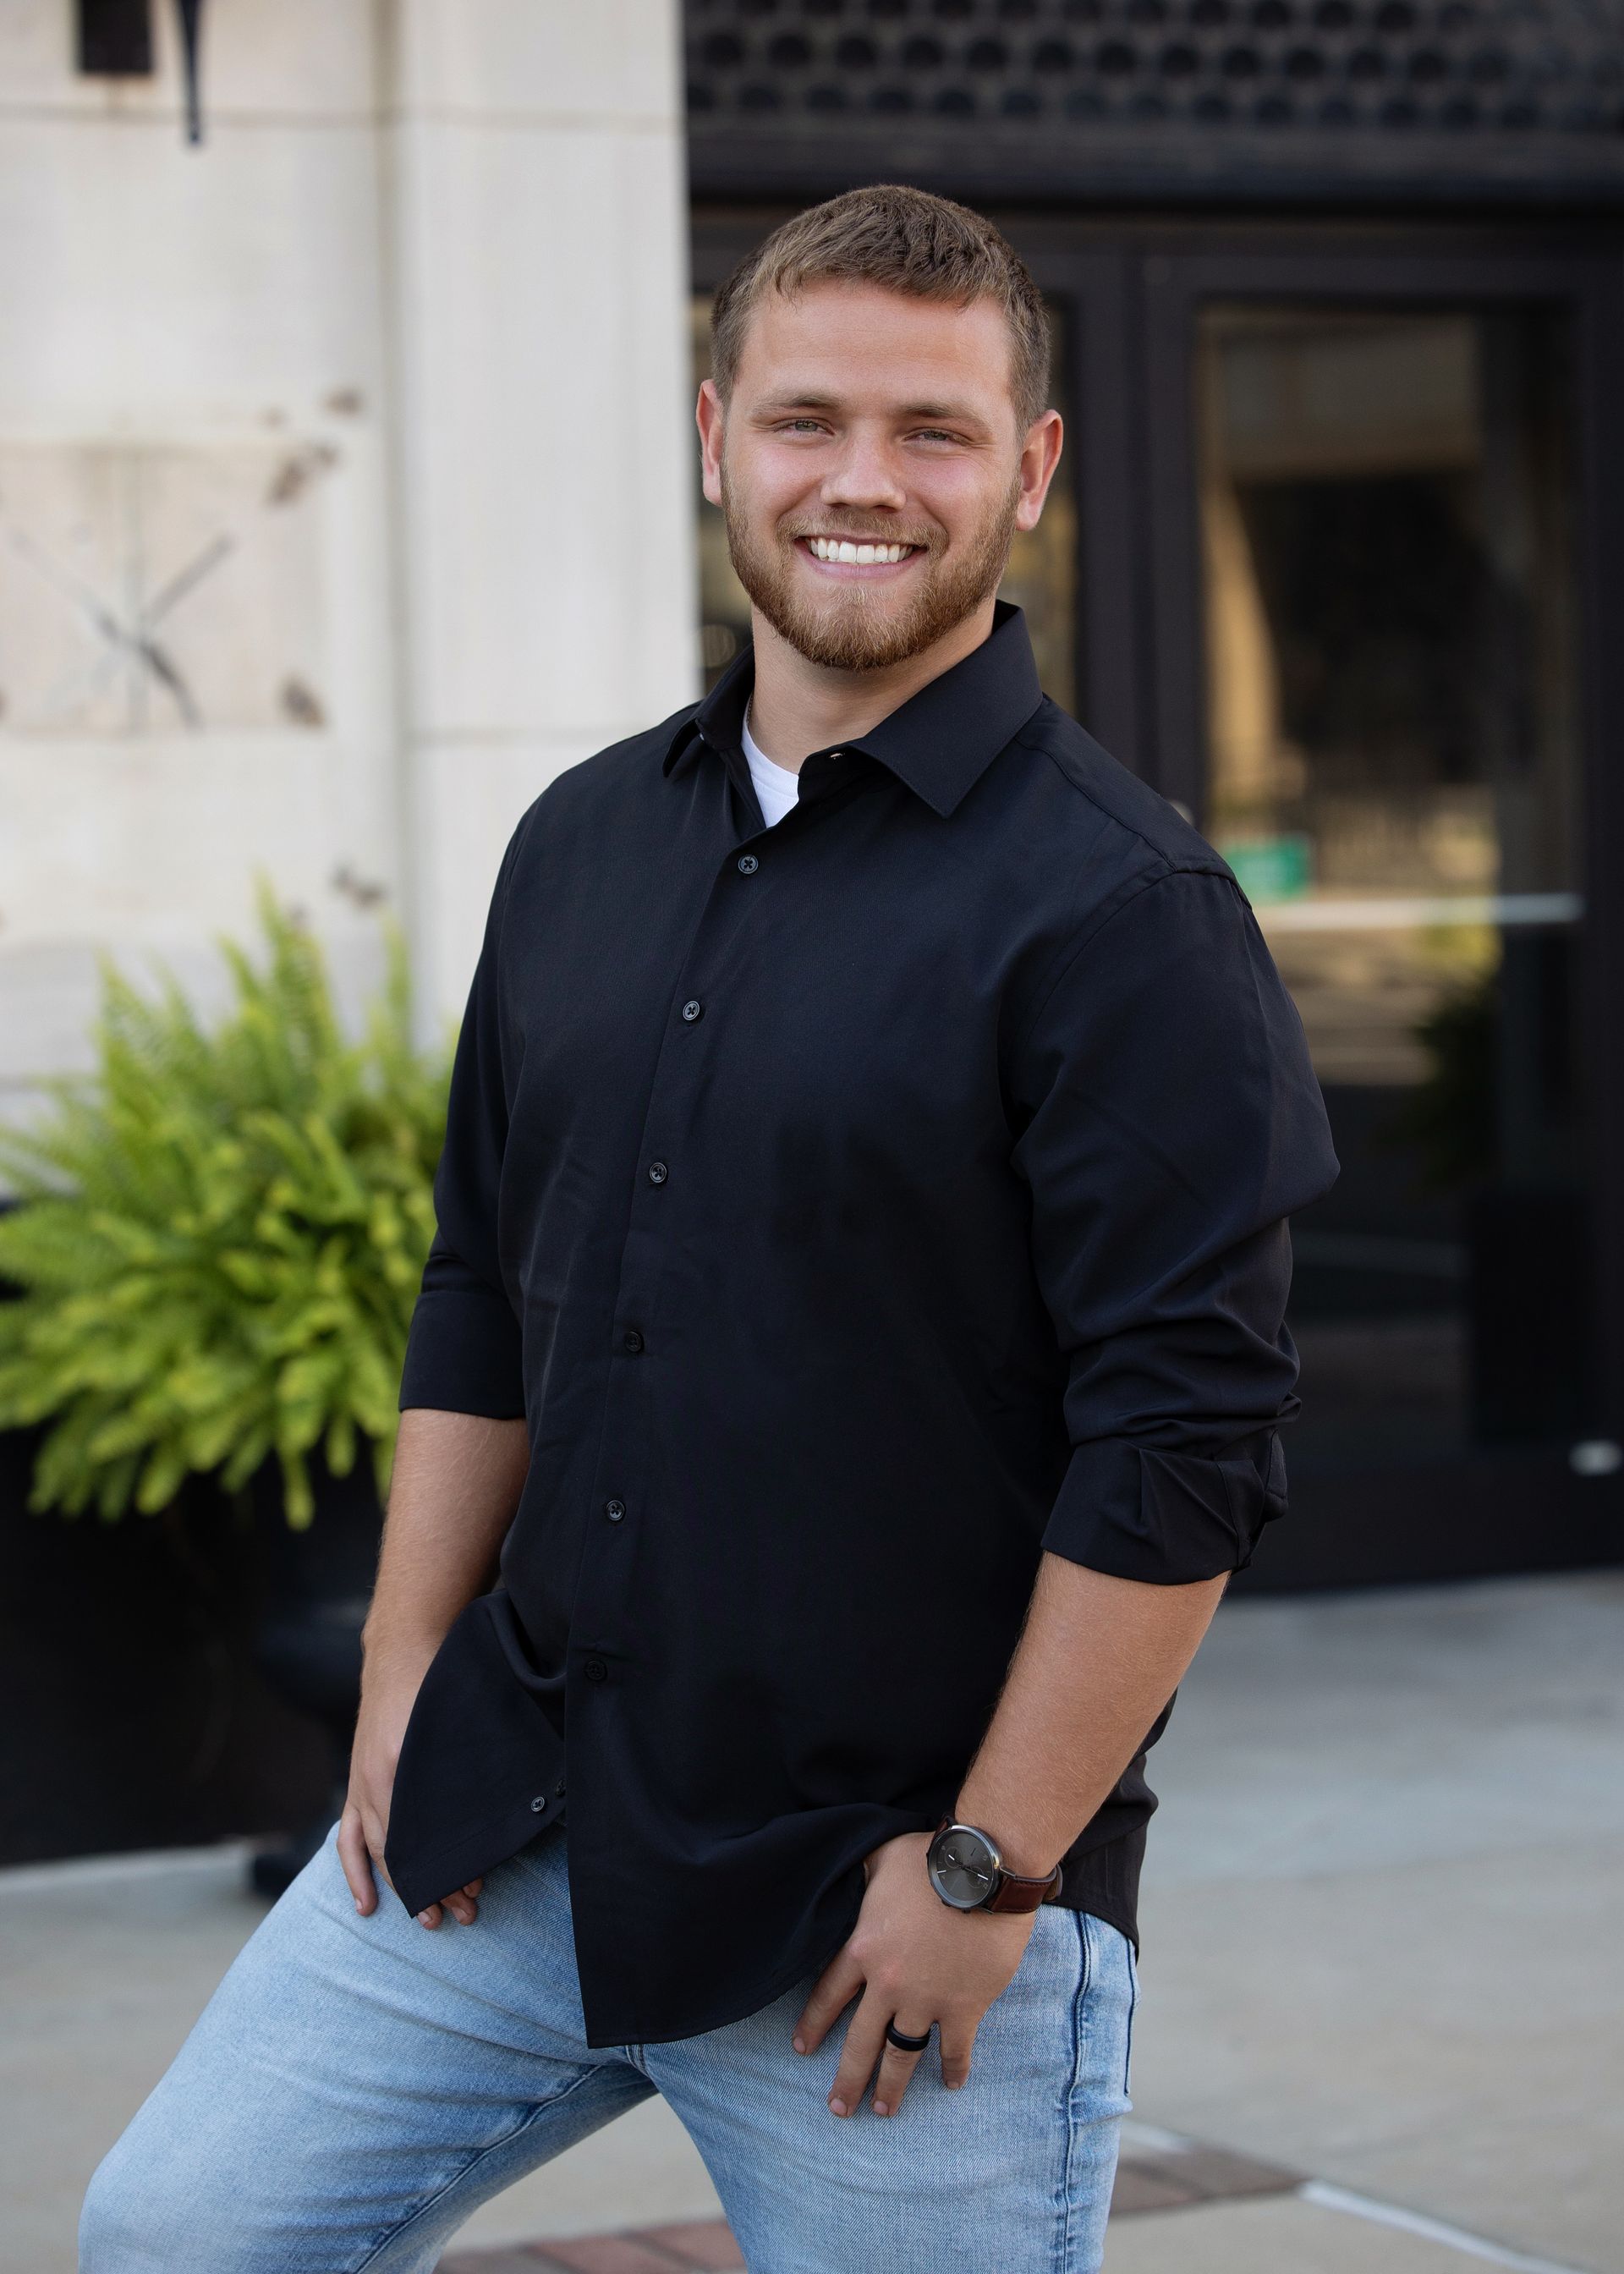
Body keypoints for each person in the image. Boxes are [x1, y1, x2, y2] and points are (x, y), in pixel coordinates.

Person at [80, 183, 1338, 2274]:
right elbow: (486, 1275)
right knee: (172, 2236)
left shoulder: (1127, 922)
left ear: (1029, 469)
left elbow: (1183, 1444)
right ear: (715, 439)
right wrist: (399, 1671)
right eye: (807, 420)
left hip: (879, 1902)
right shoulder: (578, 841)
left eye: (933, 432)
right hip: (510, 1817)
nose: (862, 482)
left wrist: (990, 1873)